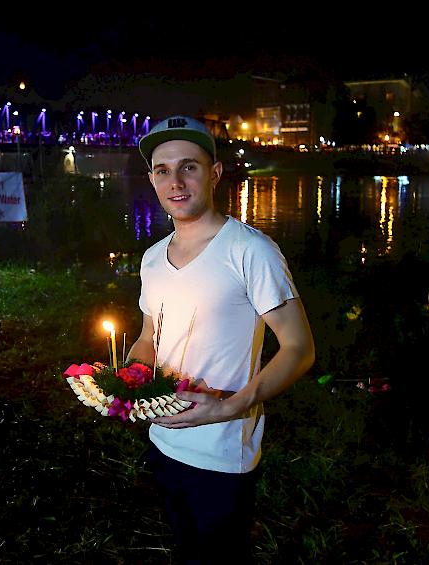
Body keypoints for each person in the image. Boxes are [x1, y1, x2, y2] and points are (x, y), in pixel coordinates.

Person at [126, 115, 315, 563]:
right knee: (185, 549)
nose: (175, 181)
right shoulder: (153, 258)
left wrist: (231, 406)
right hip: (163, 438)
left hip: (222, 451)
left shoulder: (250, 251)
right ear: (151, 179)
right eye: (162, 170)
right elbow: (149, 334)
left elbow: (299, 348)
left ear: (213, 173)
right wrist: (127, 378)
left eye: (188, 166)